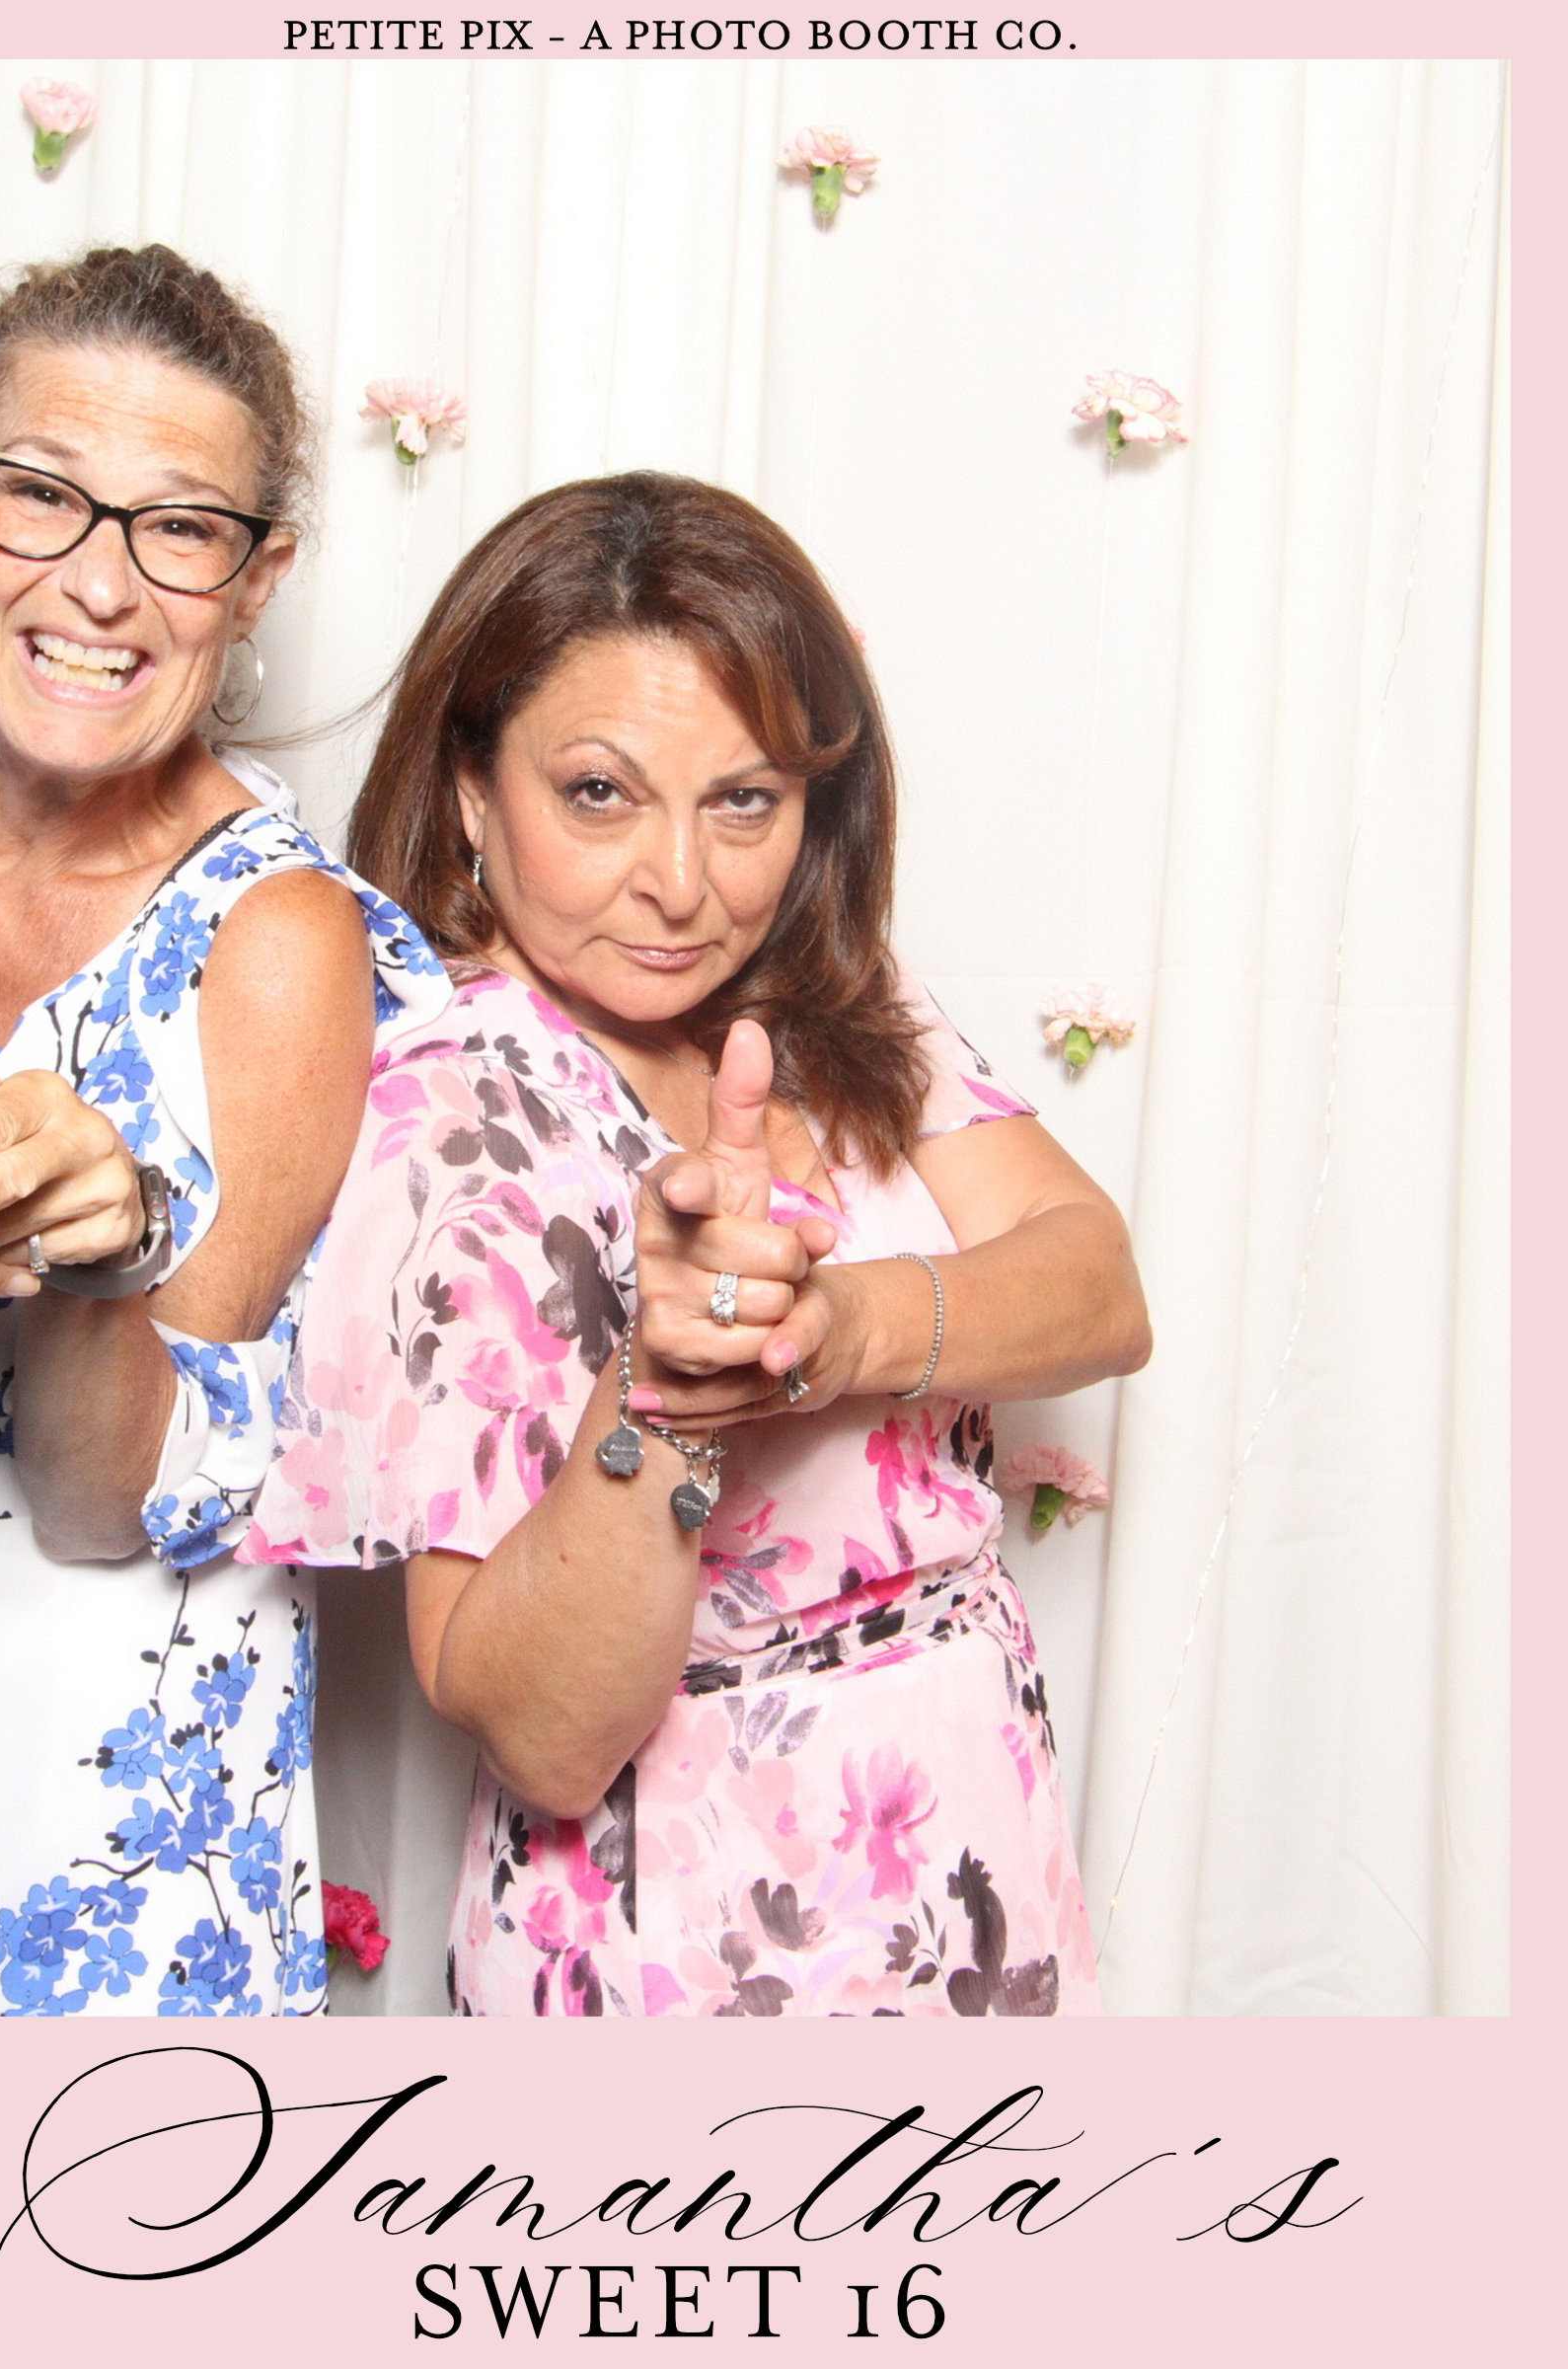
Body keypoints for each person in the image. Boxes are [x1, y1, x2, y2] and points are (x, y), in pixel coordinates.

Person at [246, 472, 1150, 2017]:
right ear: (472, 792)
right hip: (694, 1914)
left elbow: (1100, 1287)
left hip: (973, 1831)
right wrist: (668, 1394)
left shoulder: (836, 998)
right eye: (600, 793)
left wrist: (834, 1330)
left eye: (744, 801)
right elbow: (541, 1736)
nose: (681, 882)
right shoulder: (452, 1119)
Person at [0, 244, 446, 2017]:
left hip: (70, 1816)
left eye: (178, 529)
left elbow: (96, 1509)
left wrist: (100, 1256)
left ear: (255, 579)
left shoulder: (277, 944)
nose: (99, 585)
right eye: (41, 495)